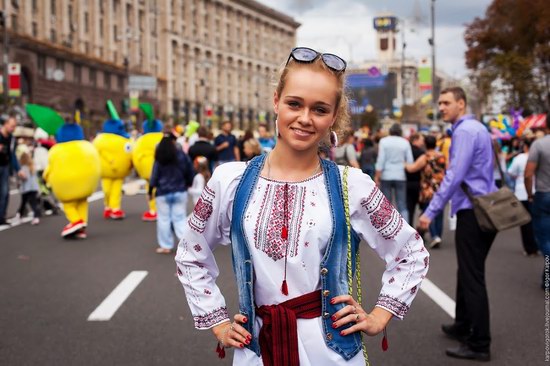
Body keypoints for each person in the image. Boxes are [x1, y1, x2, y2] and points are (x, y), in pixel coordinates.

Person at [175, 46, 428, 365]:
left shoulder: (353, 185)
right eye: (295, 103)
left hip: (332, 354)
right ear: (276, 101)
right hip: (258, 352)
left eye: (320, 109)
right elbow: (190, 254)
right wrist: (218, 322)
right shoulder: (229, 181)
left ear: (333, 116)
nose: (305, 119)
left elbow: (411, 253)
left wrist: (380, 314)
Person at [418, 86, 496, 362]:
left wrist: (431, 211)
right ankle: (463, 324)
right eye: (439, 103)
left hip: (473, 212)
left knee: (472, 277)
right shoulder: (478, 128)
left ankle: (479, 343)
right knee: (467, 271)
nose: (441, 108)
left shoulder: (464, 131)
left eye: (446, 103)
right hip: (485, 208)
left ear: (461, 104)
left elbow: (453, 176)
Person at [149, 131, 194, 254]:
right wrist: (188, 182)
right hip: (179, 190)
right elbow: (190, 170)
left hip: (163, 192)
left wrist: (150, 190)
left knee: (164, 219)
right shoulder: (181, 155)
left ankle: (166, 246)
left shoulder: (159, 157)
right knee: (179, 219)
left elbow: (154, 175)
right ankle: (186, 245)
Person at [405, 135, 446, 248]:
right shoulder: (442, 156)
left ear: (425, 144)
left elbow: (412, 168)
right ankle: (438, 234)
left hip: (428, 188)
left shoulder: (425, 157)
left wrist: (404, 164)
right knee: (440, 213)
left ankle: (434, 236)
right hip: (441, 187)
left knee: (429, 211)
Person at [525, 127, 550, 286]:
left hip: (544, 194)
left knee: (544, 238)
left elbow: (528, 174)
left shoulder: (539, 144)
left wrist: (529, 194)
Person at [374, 123, 414, 221]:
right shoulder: (405, 142)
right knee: (402, 205)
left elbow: (381, 160)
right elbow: (410, 161)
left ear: (390, 131)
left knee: (386, 205)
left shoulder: (384, 141)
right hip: (400, 175)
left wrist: (377, 175)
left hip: (386, 175)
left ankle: (387, 228)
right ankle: (405, 229)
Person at [507, 138, 538, 256]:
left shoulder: (519, 158)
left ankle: (530, 248)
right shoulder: (538, 156)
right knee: (537, 220)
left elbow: (511, 172)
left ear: (525, 146)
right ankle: (538, 244)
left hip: (521, 192)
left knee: (525, 222)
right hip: (537, 191)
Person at [15, 152, 41, 225]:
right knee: (33, 202)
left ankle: (20, 215)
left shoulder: (23, 168)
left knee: (25, 202)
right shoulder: (33, 166)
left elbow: (23, 177)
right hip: (34, 188)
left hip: (26, 188)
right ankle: (33, 216)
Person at [406, 133, 425, 226]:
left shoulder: (406, 151)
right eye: (421, 139)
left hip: (407, 182)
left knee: (409, 209)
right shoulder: (422, 153)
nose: (423, 142)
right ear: (415, 140)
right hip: (419, 183)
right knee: (423, 208)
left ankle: (409, 228)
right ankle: (421, 229)